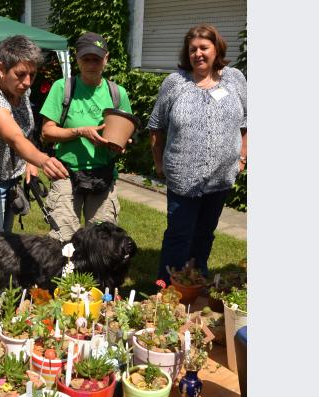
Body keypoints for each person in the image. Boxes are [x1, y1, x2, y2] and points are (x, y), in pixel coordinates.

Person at [148, 24, 247, 282]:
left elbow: (248, 121)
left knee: (205, 233)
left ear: (216, 49)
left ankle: (197, 283)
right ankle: (167, 288)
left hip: (221, 178)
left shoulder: (234, 79)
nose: (198, 54)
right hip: (183, 177)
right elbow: (156, 126)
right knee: (179, 234)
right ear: (187, 53)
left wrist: (243, 157)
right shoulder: (175, 83)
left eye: (204, 48)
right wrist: (159, 163)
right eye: (193, 49)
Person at [0, 35, 69, 245]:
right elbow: (15, 138)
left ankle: (3, 278)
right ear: (2, 68)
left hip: (10, 179)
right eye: (20, 74)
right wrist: (42, 159)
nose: (27, 82)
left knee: (5, 244)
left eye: (32, 74)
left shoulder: (21, 91)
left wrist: (29, 162)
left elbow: (25, 128)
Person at [39, 32, 133, 241]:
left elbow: (126, 131)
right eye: (86, 58)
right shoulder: (62, 88)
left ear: (106, 59)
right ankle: (63, 274)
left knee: (103, 244)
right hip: (66, 174)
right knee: (62, 240)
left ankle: (95, 276)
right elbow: (47, 132)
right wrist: (80, 131)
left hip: (103, 175)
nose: (91, 64)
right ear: (77, 59)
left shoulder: (118, 93)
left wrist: (122, 143)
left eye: (97, 59)